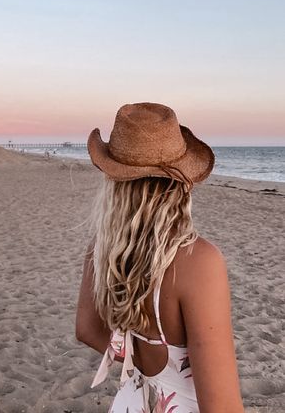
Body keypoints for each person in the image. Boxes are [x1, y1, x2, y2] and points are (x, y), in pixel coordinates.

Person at [76, 103, 244, 413]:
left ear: (114, 181)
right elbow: (222, 406)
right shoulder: (198, 261)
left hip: (133, 402)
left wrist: (143, 363)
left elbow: (86, 329)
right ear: (181, 183)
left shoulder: (102, 248)